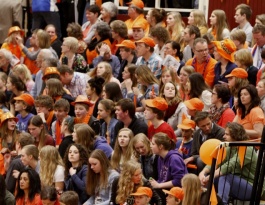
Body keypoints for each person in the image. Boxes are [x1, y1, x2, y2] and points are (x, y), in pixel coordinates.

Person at [199, 122, 257, 204]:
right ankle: (208, 202)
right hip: (236, 184)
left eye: (227, 134)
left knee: (225, 176)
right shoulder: (230, 147)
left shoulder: (247, 149)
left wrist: (210, 176)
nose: (223, 136)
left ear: (235, 135)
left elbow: (229, 166)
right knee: (208, 178)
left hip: (251, 187)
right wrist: (203, 173)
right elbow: (217, 161)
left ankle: (222, 203)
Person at [149, 132, 187, 204]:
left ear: (161, 146)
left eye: (153, 144)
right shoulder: (160, 157)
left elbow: (179, 181)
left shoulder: (174, 158)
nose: (150, 146)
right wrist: (155, 183)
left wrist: (158, 185)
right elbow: (162, 178)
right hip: (165, 190)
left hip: (176, 192)